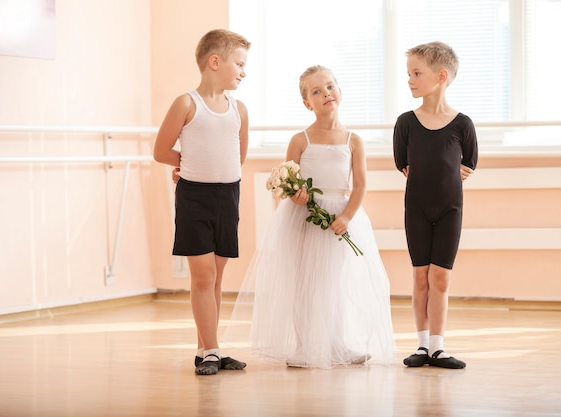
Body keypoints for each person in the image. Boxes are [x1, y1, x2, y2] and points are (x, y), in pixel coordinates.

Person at [224, 65, 396, 369]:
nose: (326, 93)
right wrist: (297, 194)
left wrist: (346, 216)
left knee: (335, 282)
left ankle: (339, 344)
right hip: (304, 218)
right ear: (307, 103)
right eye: (316, 91)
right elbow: (289, 180)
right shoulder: (300, 139)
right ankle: (305, 346)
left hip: (340, 218)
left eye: (330, 86)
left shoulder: (353, 140)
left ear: (340, 92)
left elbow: (360, 184)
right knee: (305, 281)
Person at [153, 28, 251, 376]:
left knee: (217, 276)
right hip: (195, 197)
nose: (243, 71)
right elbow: (160, 150)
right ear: (215, 62)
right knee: (203, 275)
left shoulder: (239, 109)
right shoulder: (186, 103)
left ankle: (204, 348)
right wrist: (185, 165)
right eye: (239, 63)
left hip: (229, 195)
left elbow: (236, 157)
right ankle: (213, 350)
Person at [392, 41, 478, 369]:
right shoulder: (406, 123)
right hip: (416, 207)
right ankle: (422, 345)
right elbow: (404, 164)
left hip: (450, 209)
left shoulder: (462, 124)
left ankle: (439, 348)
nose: (410, 80)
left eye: (416, 73)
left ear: (441, 76)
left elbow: (468, 163)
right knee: (420, 276)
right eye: (408, 73)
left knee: (440, 277)